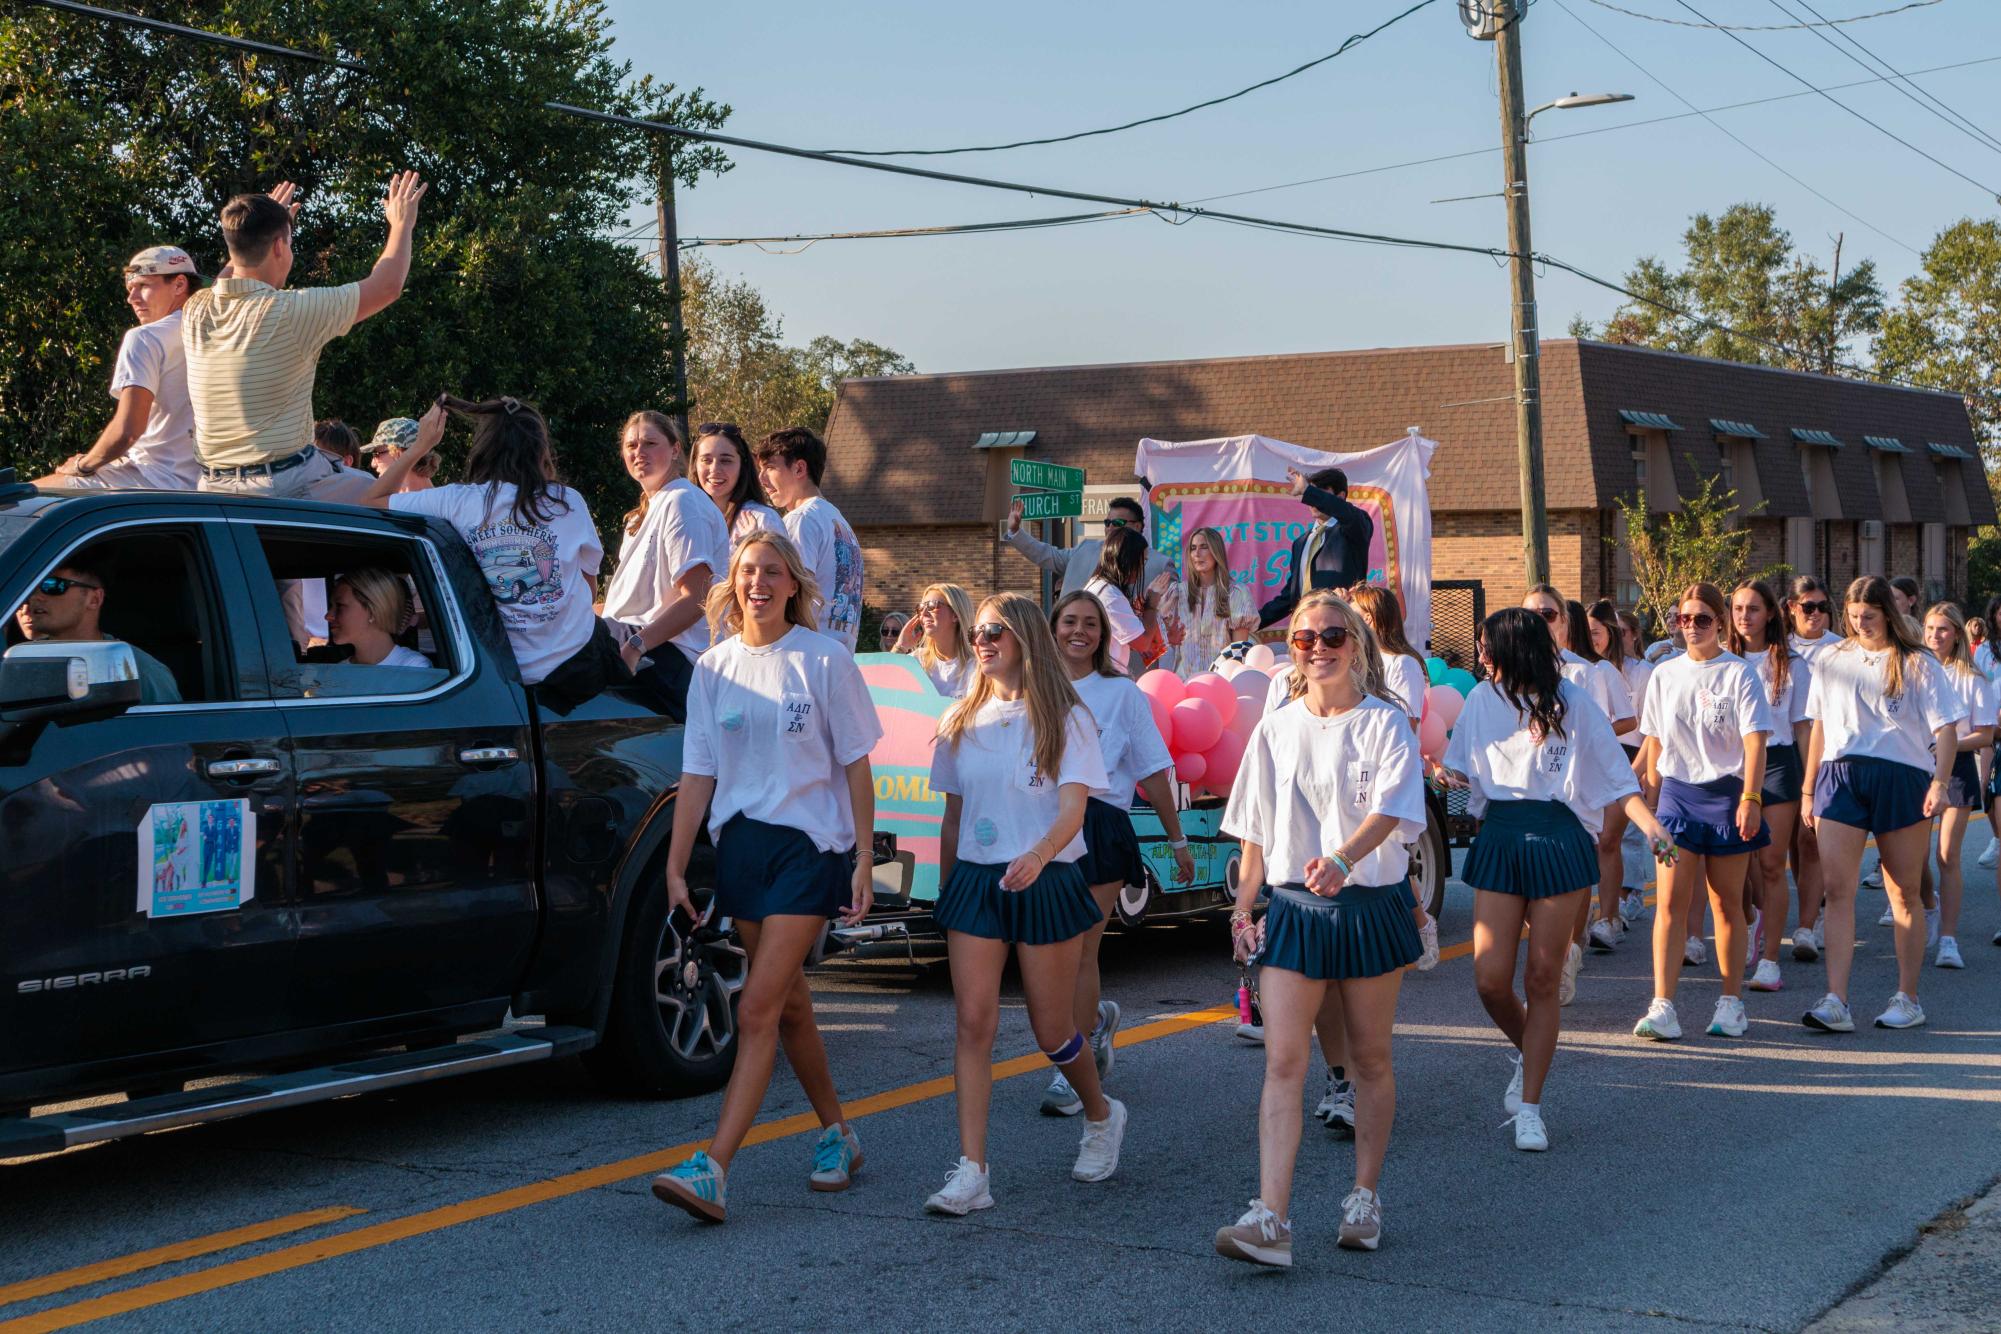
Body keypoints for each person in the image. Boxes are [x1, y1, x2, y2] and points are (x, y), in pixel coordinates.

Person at [649, 529, 881, 1223]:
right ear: (734, 580)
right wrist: (674, 864)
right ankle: (838, 1136)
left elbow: (857, 763)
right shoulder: (713, 666)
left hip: (808, 850)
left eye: (772, 572)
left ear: (792, 585)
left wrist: (864, 856)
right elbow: (698, 771)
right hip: (742, 849)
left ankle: (713, 1168)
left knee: (754, 1009)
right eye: (748, 570)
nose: (758, 582)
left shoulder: (824, 659)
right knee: (791, 1007)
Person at [1213, 590, 1424, 1265]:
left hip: (1367, 904)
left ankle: (1363, 1196)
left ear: (1356, 644)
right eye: (1304, 639)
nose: (1318, 649)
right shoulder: (1275, 728)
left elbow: (1390, 810)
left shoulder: (1384, 724)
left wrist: (1342, 857)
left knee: (1367, 1059)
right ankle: (1270, 1217)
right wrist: (1243, 909)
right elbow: (1250, 833)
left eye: (1332, 636)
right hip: (1294, 909)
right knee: (1283, 1061)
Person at [923, 592, 1125, 1215]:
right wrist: (948, 889)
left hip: (1046, 879)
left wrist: (1038, 854)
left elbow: (1074, 811)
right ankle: (972, 1171)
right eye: (978, 631)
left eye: (995, 632)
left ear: (1026, 639)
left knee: (1052, 1028)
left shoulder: (1067, 718)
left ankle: (1100, 1113)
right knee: (973, 1023)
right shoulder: (959, 721)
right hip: (979, 887)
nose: (982, 641)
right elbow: (953, 820)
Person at [1441, 609, 1669, 1150]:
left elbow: (1618, 779)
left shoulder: (1574, 701)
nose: (1480, 656)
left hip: (1560, 836)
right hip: (1501, 834)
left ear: (1514, 649)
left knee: (1543, 978)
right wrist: (1441, 772)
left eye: (1487, 647)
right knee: (1490, 980)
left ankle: (1531, 1106)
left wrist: (1654, 829)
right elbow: (1464, 771)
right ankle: (1533, 1050)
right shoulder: (1480, 699)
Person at [183, 173, 427, 502]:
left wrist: (259, 229)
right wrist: (401, 223)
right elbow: (387, 286)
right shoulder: (290, 312)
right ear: (280, 247)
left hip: (213, 486)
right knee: (391, 498)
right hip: (285, 482)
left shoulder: (196, 310)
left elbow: (228, 275)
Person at [361, 398, 619, 707]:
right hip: (580, 671)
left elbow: (371, 502)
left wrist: (420, 446)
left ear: (483, 447)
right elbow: (588, 590)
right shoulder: (569, 502)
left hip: (505, 675)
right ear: (541, 449)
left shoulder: (458, 501)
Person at [1043, 591, 1193, 1118]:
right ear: (1053, 627)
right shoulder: (1033, 687)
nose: (1078, 632)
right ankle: (1089, 1028)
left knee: (1082, 949)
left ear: (1104, 636)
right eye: (1069, 622)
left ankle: (1072, 1063)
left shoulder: (1121, 694)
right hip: (1041, 825)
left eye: (1090, 624)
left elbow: (1153, 769)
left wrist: (1178, 842)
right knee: (1050, 951)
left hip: (1101, 825)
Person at [1800, 576, 1962, 1033]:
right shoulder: (1831, 658)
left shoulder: (1917, 661)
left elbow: (1946, 729)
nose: (1859, 623)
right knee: (1838, 889)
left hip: (1901, 776)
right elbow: (1818, 727)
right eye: (1852, 616)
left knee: (1904, 892)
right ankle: (1837, 1000)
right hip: (1841, 775)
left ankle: (1908, 997)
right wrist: (1809, 789)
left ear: (1887, 614)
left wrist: (1940, 782)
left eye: (1868, 616)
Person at [1629, 584, 1774, 1041]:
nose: (1691, 627)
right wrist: (1649, 805)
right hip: (1676, 798)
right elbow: (1652, 743)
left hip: (1727, 796)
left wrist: (1751, 799)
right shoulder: (1664, 674)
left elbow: (1755, 743)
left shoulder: (1739, 674)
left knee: (1726, 903)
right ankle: (1663, 1006)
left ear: (1720, 624)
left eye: (1702, 619)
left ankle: (1731, 1002)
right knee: (1669, 904)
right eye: (1683, 619)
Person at [1522, 583, 1635, 1004]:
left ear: (1564, 623)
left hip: (1575, 791)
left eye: (1548, 615)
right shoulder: (1506, 674)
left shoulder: (1584, 672)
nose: (1539, 623)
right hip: (1529, 795)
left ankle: (1568, 952)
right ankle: (1560, 947)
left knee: (1571, 875)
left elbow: (1603, 729)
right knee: (1534, 891)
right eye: (1531, 615)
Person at [36, 247, 202, 491]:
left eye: (143, 286)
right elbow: (234, 273)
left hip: (152, 477)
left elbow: (127, 432)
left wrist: (83, 465)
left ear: (179, 284)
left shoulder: (145, 338)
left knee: (19, 501)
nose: (131, 298)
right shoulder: (213, 325)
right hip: (200, 483)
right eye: (130, 289)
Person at [598, 411, 728, 721]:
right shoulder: (641, 514)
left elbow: (698, 596)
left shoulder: (683, 502)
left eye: (650, 443)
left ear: (674, 450)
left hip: (672, 662)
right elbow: (637, 602)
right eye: (631, 445)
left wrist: (635, 647)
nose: (639, 453)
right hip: (648, 656)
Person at [1729, 580, 1810, 993]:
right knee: (1737, 867)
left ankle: (1771, 959)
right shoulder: (1722, 660)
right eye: (1738, 608)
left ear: (1771, 614)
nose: (1745, 616)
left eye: (1753, 608)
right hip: (1731, 765)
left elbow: (1802, 728)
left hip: (1778, 764)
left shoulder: (1791, 663)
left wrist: (1810, 784)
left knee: (1772, 863)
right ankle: (1747, 924)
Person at [1921, 603, 1992, 970]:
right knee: (1912, 859)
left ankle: (1948, 939)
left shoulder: (1972, 677)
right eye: (1930, 628)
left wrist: (1947, 745)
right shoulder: (1913, 670)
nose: (1935, 635)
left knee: (1946, 855)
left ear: (1957, 634)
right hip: (1915, 766)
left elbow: (1985, 734)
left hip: (1959, 769)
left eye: (1943, 629)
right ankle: (1929, 906)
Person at [13, 556, 181, 703]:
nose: (35, 596)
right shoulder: (18, 664)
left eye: (52, 585)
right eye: (31, 587)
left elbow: (170, 736)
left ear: (94, 599)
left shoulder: (142, 672)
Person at [754, 428, 863, 652]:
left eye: (770, 467)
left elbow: (792, 596)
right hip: (838, 659)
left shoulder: (801, 520)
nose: (761, 478)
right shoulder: (840, 523)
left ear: (799, 468)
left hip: (805, 657)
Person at [1597, 601, 1656, 926]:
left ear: (1633, 635)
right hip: (1601, 755)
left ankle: (1628, 894)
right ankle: (1607, 904)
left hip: (1633, 754)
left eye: (1621, 632)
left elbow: (1650, 726)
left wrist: (1645, 768)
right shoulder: (1595, 671)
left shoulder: (1643, 672)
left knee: (1628, 833)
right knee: (1602, 835)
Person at [1257, 467, 1375, 628]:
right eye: (1312, 494)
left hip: (1343, 628)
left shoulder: (1354, 528)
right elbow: (1291, 596)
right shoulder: (1301, 542)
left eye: (1320, 494)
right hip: (1307, 631)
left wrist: (1308, 491)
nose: (1313, 501)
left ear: (1340, 497)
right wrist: (1256, 620)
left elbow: (1348, 514)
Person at [1003, 493, 1171, 597]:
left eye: (1118, 522)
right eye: (1107, 522)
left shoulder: (1160, 564)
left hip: (1128, 652)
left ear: (1137, 526)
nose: (1110, 527)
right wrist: (1016, 531)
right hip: (1073, 649)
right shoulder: (1085, 549)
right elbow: (1047, 555)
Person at [1164, 527, 1255, 679]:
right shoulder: (1177, 593)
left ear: (1216, 551)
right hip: (1183, 681)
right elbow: (1162, 638)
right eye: (1193, 548)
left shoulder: (1236, 593)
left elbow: (1238, 651)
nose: (1197, 554)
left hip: (1221, 681)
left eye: (1204, 547)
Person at [1082, 526, 1160, 675]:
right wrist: (1151, 604)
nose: (1142, 568)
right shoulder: (1109, 595)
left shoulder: (1100, 586)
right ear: (1127, 560)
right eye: (1141, 562)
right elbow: (1143, 643)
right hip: (1106, 679)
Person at [691, 422, 783, 544]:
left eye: (725, 461)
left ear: (743, 465)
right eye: (706, 460)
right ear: (695, 465)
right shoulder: (688, 519)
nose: (714, 469)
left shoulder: (763, 519)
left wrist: (751, 546)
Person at [325, 569, 430, 668]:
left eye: (339, 606)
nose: (327, 616)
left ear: (373, 611)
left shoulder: (414, 667)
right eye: (331, 606)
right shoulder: (338, 671)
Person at [893, 583, 977, 697]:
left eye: (932, 605)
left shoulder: (976, 666)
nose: (923, 613)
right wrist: (900, 647)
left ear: (956, 614)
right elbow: (884, 691)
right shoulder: (916, 661)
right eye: (920, 608)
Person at [359, 417, 438, 491]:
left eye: (377, 454)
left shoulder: (386, 503)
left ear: (399, 454)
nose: (373, 464)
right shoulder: (442, 501)